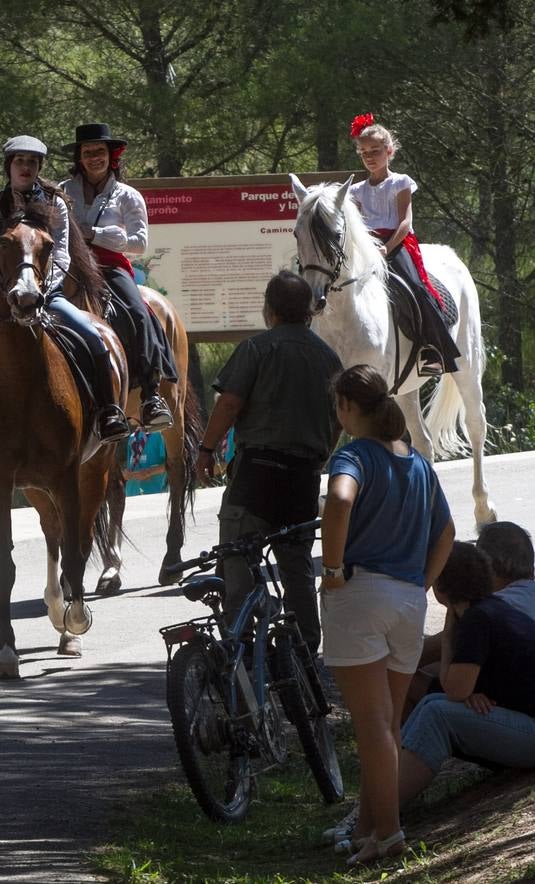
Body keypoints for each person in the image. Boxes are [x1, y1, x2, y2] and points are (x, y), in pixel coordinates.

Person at [319, 363, 455, 865]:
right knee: (389, 727)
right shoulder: (418, 464)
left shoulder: (353, 454)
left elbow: (338, 499)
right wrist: (421, 583)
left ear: (348, 407)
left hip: (360, 597)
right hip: (408, 603)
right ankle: (370, 829)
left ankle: (390, 833)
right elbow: (447, 534)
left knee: (373, 728)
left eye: (338, 406)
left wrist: (332, 569)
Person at [0, 134, 130, 455]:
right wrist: (0, 297)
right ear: (9, 166)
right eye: (20, 161)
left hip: (49, 296)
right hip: (4, 302)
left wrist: (44, 292)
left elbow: (61, 254)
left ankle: (109, 413)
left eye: (32, 162)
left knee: (95, 338)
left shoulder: (55, 202)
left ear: (39, 166)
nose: (26, 167)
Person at [195, 270, 343, 650]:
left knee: (237, 560)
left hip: (256, 476)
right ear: (309, 312)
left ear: (270, 309)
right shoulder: (328, 358)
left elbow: (229, 403)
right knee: (296, 569)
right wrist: (320, 456)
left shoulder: (257, 348)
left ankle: (239, 649)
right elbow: (339, 418)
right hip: (304, 476)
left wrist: (206, 449)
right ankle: (305, 652)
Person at [395, 542, 535, 825]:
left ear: (441, 589)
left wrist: (448, 635)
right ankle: (380, 800)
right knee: (433, 703)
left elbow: (454, 689)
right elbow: (461, 690)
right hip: (522, 721)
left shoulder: (476, 619)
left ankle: (377, 813)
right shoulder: (490, 609)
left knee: (437, 713)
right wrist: (466, 695)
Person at [60, 123, 176, 431]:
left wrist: (94, 234)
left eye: (100, 152)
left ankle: (151, 395)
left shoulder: (128, 196)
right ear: (79, 158)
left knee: (139, 313)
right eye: (87, 153)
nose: (94, 158)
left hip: (110, 268)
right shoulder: (62, 192)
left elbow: (140, 243)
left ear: (111, 156)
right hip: (69, 267)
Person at [349, 113, 461, 377]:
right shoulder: (356, 191)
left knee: (416, 288)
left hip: (396, 244)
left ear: (389, 151)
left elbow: (404, 222)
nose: (369, 156)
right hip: (368, 247)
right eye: (364, 152)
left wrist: (386, 248)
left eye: (375, 150)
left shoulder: (400, 182)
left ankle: (433, 350)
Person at [405, 520, 535, 718]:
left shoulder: (490, 610)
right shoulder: (514, 601)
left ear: (484, 565)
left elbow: (410, 659)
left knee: (399, 676)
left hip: (518, 714)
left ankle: (396, 743)